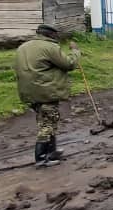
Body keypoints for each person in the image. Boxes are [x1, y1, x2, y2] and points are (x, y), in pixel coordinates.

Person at [14, 24, 81, 166]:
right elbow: (69, 64)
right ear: (50, 34)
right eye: (55, 35)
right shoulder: (50, 47)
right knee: (47, 123)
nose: (57, 37)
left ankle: (52, 151)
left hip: (29, 91)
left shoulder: (23, 47)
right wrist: (75, 51)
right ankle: (41, 157)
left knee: (47, 119)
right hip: (46, 90)